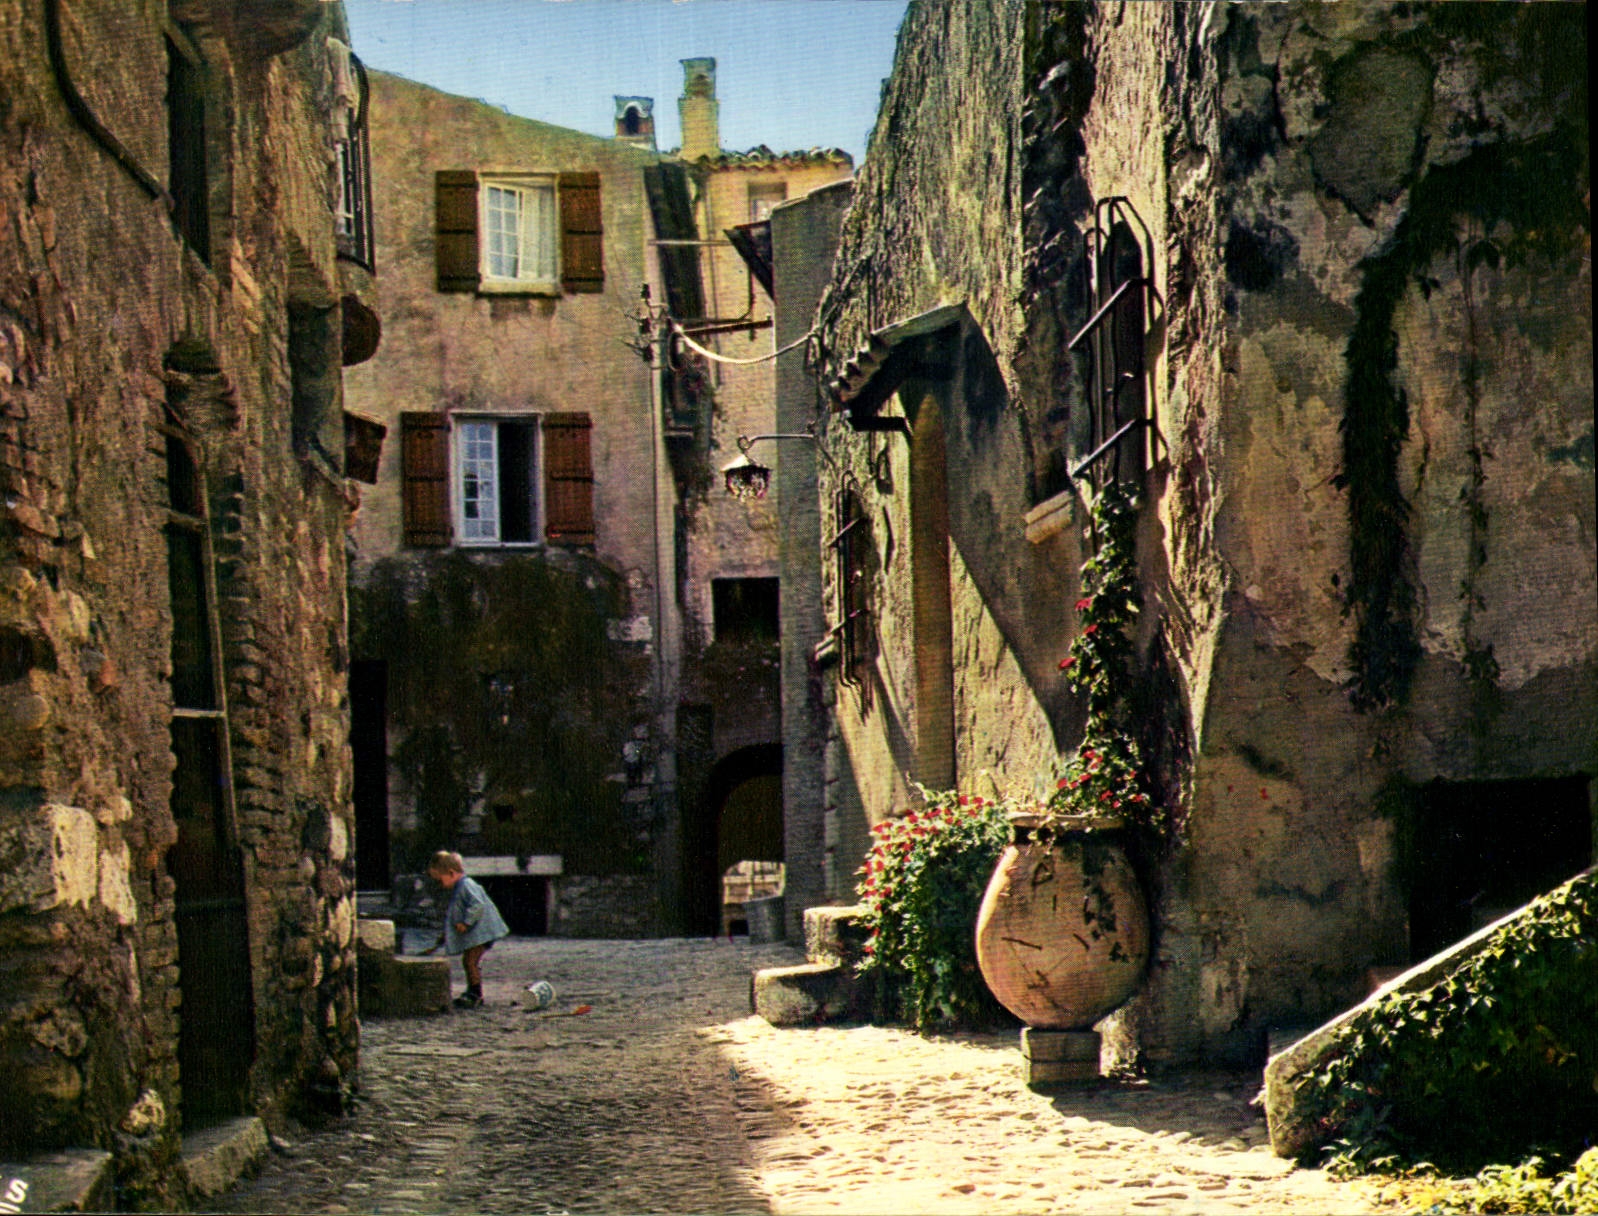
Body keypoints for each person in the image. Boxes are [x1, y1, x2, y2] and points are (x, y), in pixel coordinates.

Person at [426, 850, 510, 1008]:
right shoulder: (459, 887)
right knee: (469, 961)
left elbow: (477, 904)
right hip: (479, 934)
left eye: (440, 880)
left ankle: (475, 994)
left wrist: (466, 922)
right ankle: (473, 991)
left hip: (483, 933)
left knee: (470, 961)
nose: (440, 885)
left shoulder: (466, 885)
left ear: (451, 873)